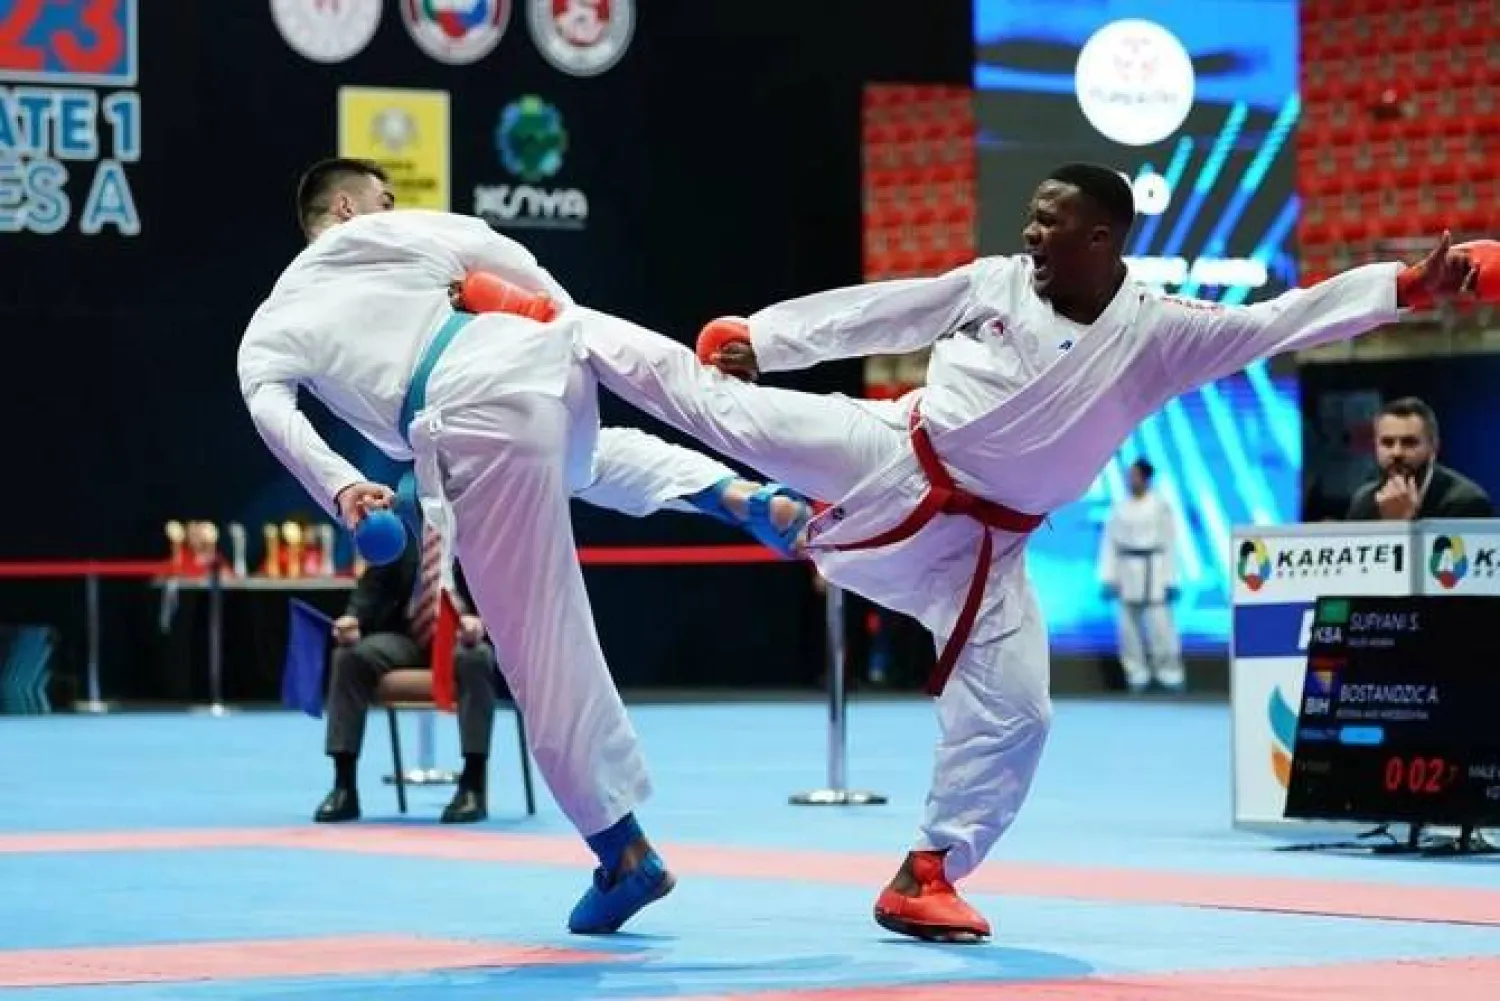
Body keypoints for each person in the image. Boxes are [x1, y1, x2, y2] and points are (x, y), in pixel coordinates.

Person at [563, 163, 1480, 942]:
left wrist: (1404, 287)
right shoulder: (997, 282)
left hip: (986, 547)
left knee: (1020, 714)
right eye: (1033, 218)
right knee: (725, 410)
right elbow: (884, 314)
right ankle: (555, 326)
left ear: (1103, 237)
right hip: (894, 450)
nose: (1032, 233)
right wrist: (766, 338)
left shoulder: (1159, 336)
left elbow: (1282, 320)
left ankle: (926, 871)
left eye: (1052, 221)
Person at [237, 158, 809, 936]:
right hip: (548, 361)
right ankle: (734, 489)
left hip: (470, 415)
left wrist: (342, 487)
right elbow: (505, 255)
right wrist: (560, 327)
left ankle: (623, 853)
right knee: (593, 457)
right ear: (345, 207)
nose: (393, 204)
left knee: (541, 646)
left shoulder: (273, 321)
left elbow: (272, 409)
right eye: (382, 196)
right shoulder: (408, 232)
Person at [1098, 458, 1183, 694]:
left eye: (1135, 476)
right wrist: (1108, 577)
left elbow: (1170, 543)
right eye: (1129, 476)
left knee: (1160, 626)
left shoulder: (1160, 506)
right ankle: (1136, 672)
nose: (1130, 480)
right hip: (1126, 569)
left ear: (1146, 478)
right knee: (1128, 627)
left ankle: (1168, 672)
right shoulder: (1119, 508)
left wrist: (1171, 578)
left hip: (1155, 568)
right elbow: (1109, 544)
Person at [1344, 396, 1493, 520]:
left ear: (1434, 447)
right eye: (1387, 443)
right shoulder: (1363, 501)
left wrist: (1403, 524)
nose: (1397, 452)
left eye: (1409, 442)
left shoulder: (1466, 502)